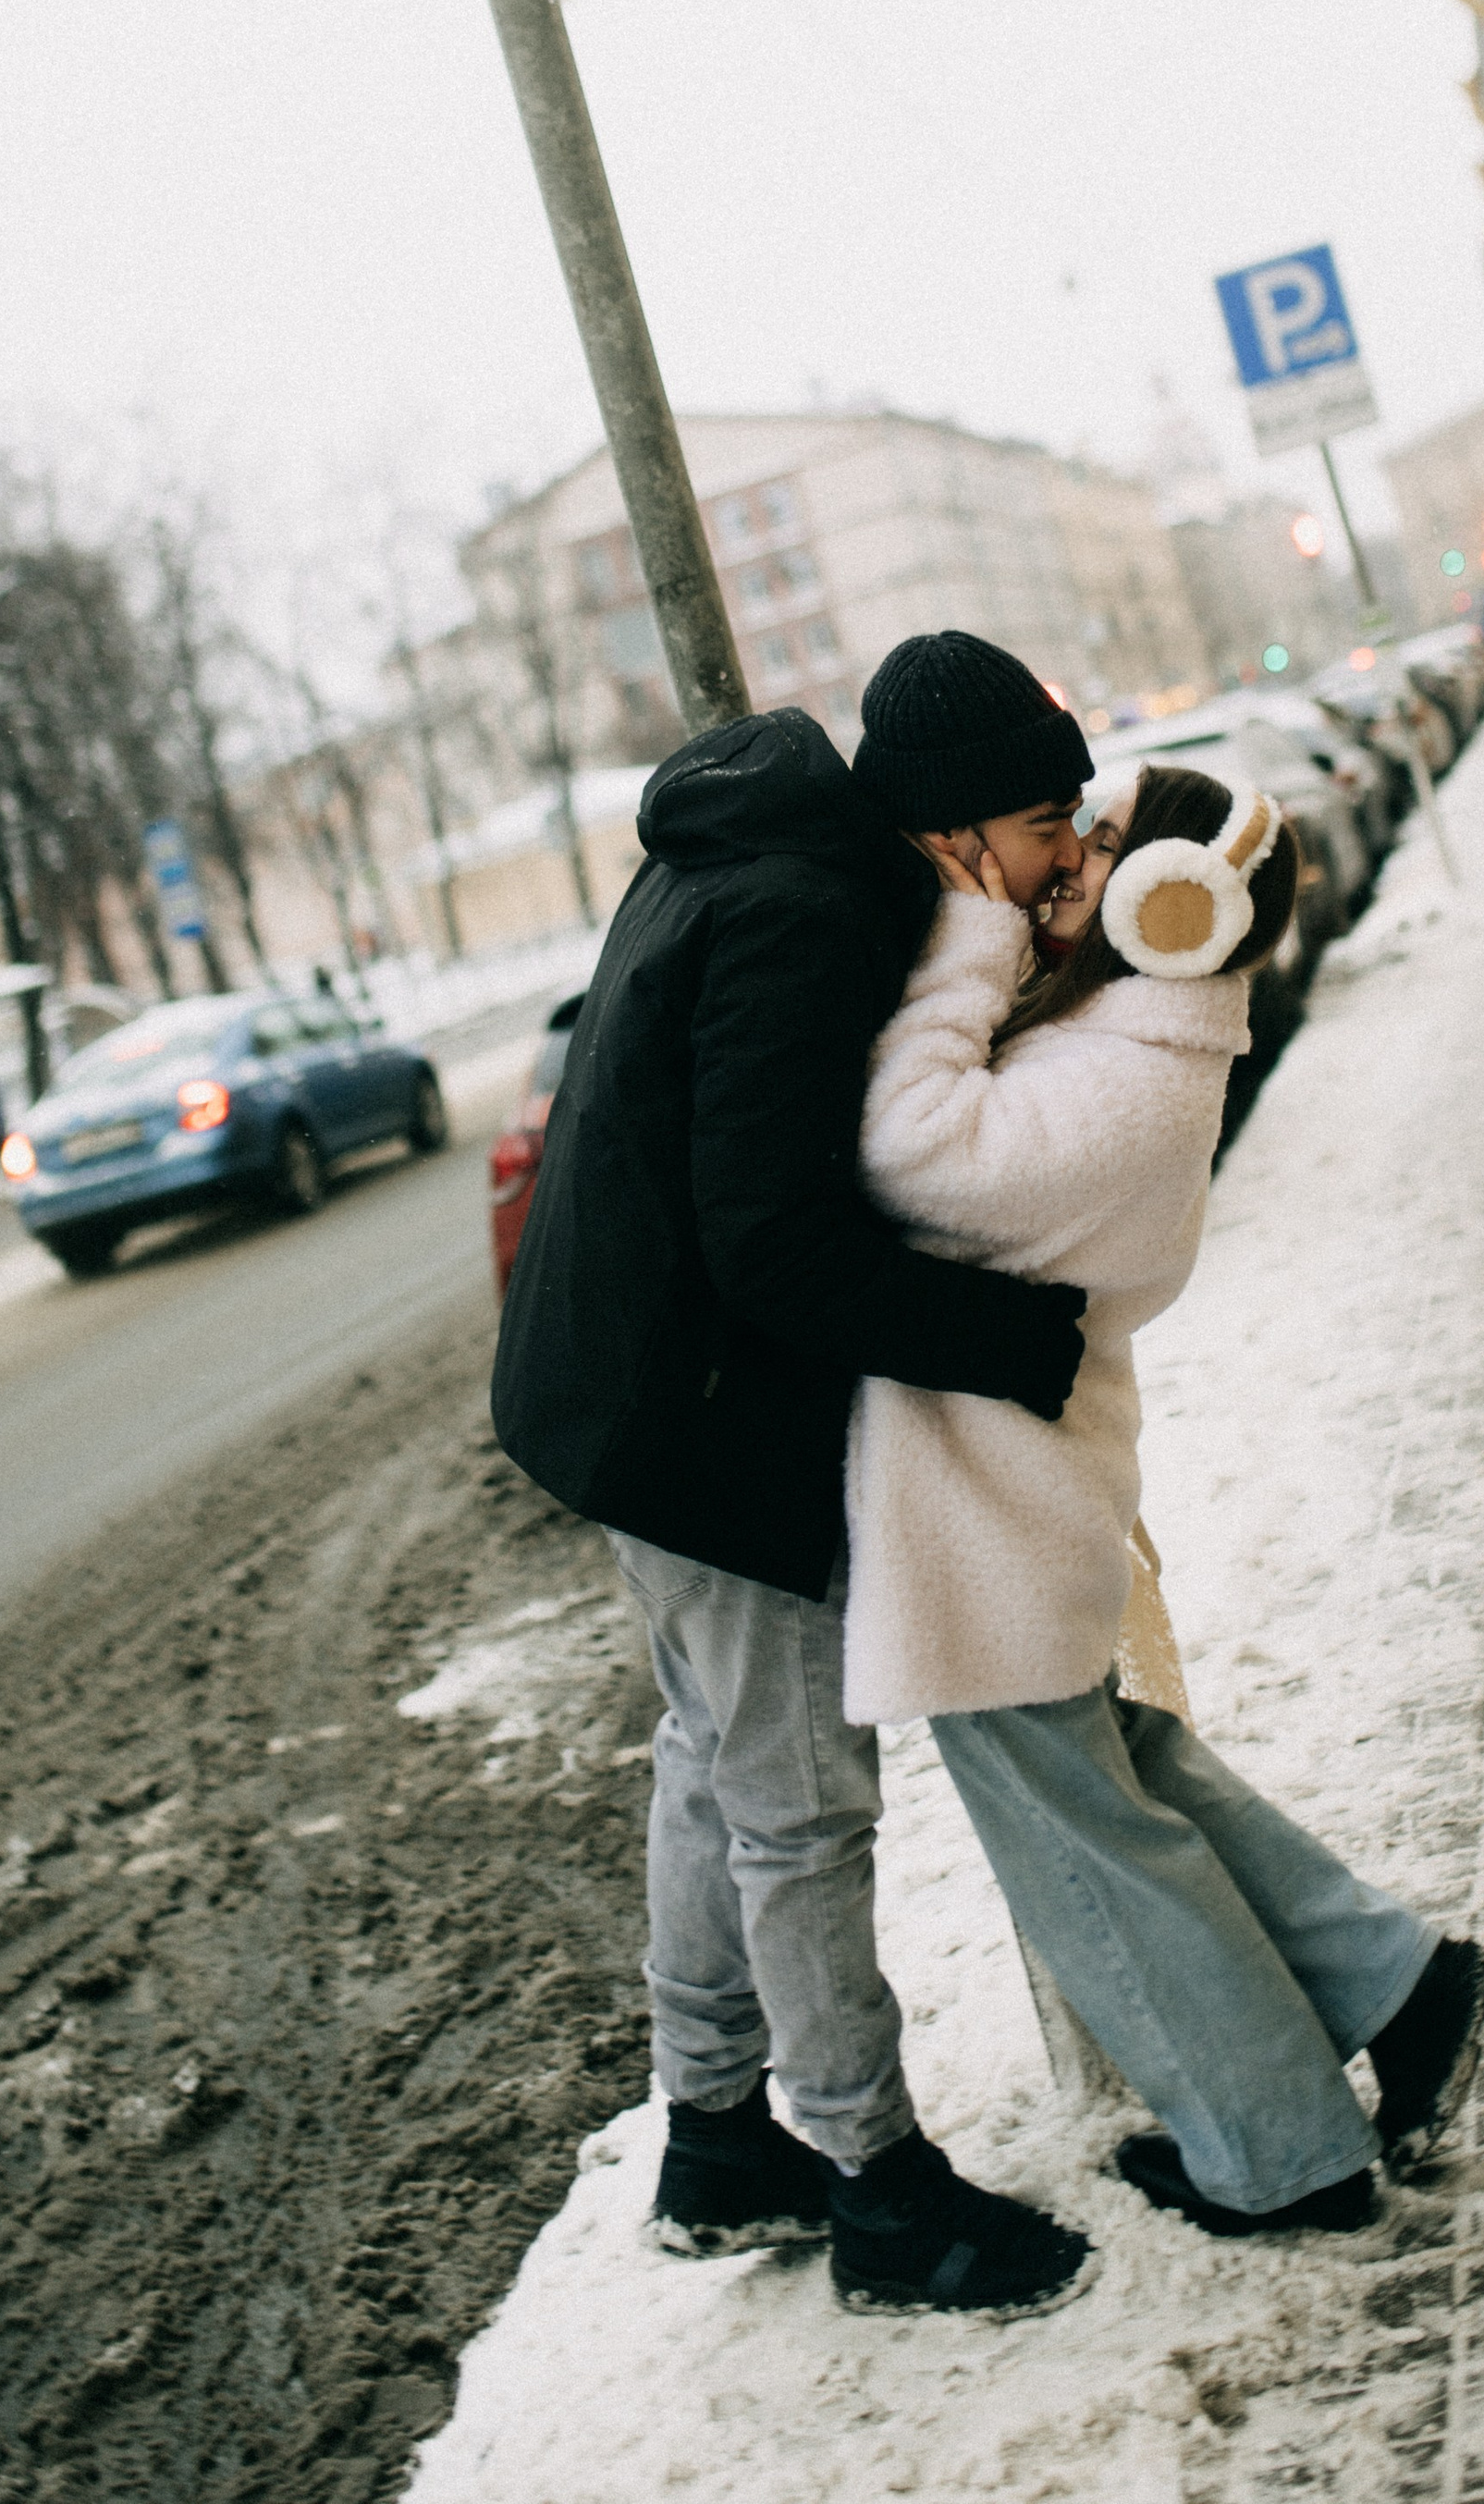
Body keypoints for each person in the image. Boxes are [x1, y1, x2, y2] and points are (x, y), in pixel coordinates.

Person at [493, 630, 1108, 2315]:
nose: (1071, 850)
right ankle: (877, 2189)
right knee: (798, 1808)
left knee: (715, 1760)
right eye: (1052, 818)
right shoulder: (813, 913)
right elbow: (774, 1243)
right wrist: (1014, 1338)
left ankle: (711, 2139)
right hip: (693, 1414)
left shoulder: (758, 860)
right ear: (963, 826)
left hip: (616, 1388)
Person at [847, 762, 1484, 2235]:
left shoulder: (1129, 1078)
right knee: (1127, 1770)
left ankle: (1283, 2153)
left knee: (1089, 1842)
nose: (1070, 854)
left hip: (993, 1509)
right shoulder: (1133, 1032)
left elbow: (905, 1148)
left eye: (1104, 843)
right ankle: (1398, 1988)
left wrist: (964, 944)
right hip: (1006, 1491)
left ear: (1170, 900)